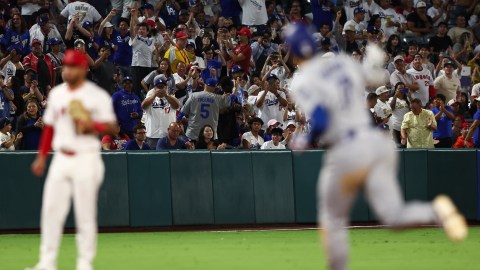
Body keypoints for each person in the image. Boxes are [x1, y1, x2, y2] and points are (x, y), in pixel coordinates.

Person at [285, 24, 466, 270]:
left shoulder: (303, 79)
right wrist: (374, 56)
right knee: (394, 216)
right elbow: (375, 78)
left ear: (294, 52)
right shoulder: (342, 63)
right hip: (376, 144)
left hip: (346, 152)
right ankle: (436, 212)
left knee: (333, 219)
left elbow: (320, 116)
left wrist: (306, 139)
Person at [28, 49, 117, 270]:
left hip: (87, 159)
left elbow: (112, 127)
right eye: (65, 66)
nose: (66, 70)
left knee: (85, 213)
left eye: (71, 66)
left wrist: (92, 125)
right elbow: (49, 128)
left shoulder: (96, 95)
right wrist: (41, 157)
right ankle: (47, 262)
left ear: (83, 69)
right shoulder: (58, 94)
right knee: (50, 211)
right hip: (61, 158)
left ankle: (84, 263)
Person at [142, 74, 180, 149]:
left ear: (166, 86)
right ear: (155, 87)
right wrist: (154, 95)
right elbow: (143, 106)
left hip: (167, 136)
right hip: (152, 135)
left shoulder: (170, 95)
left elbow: (177, 106)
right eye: (159, 86)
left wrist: (166, 95)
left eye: (163, 86)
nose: (161, 89)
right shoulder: (150, 94)